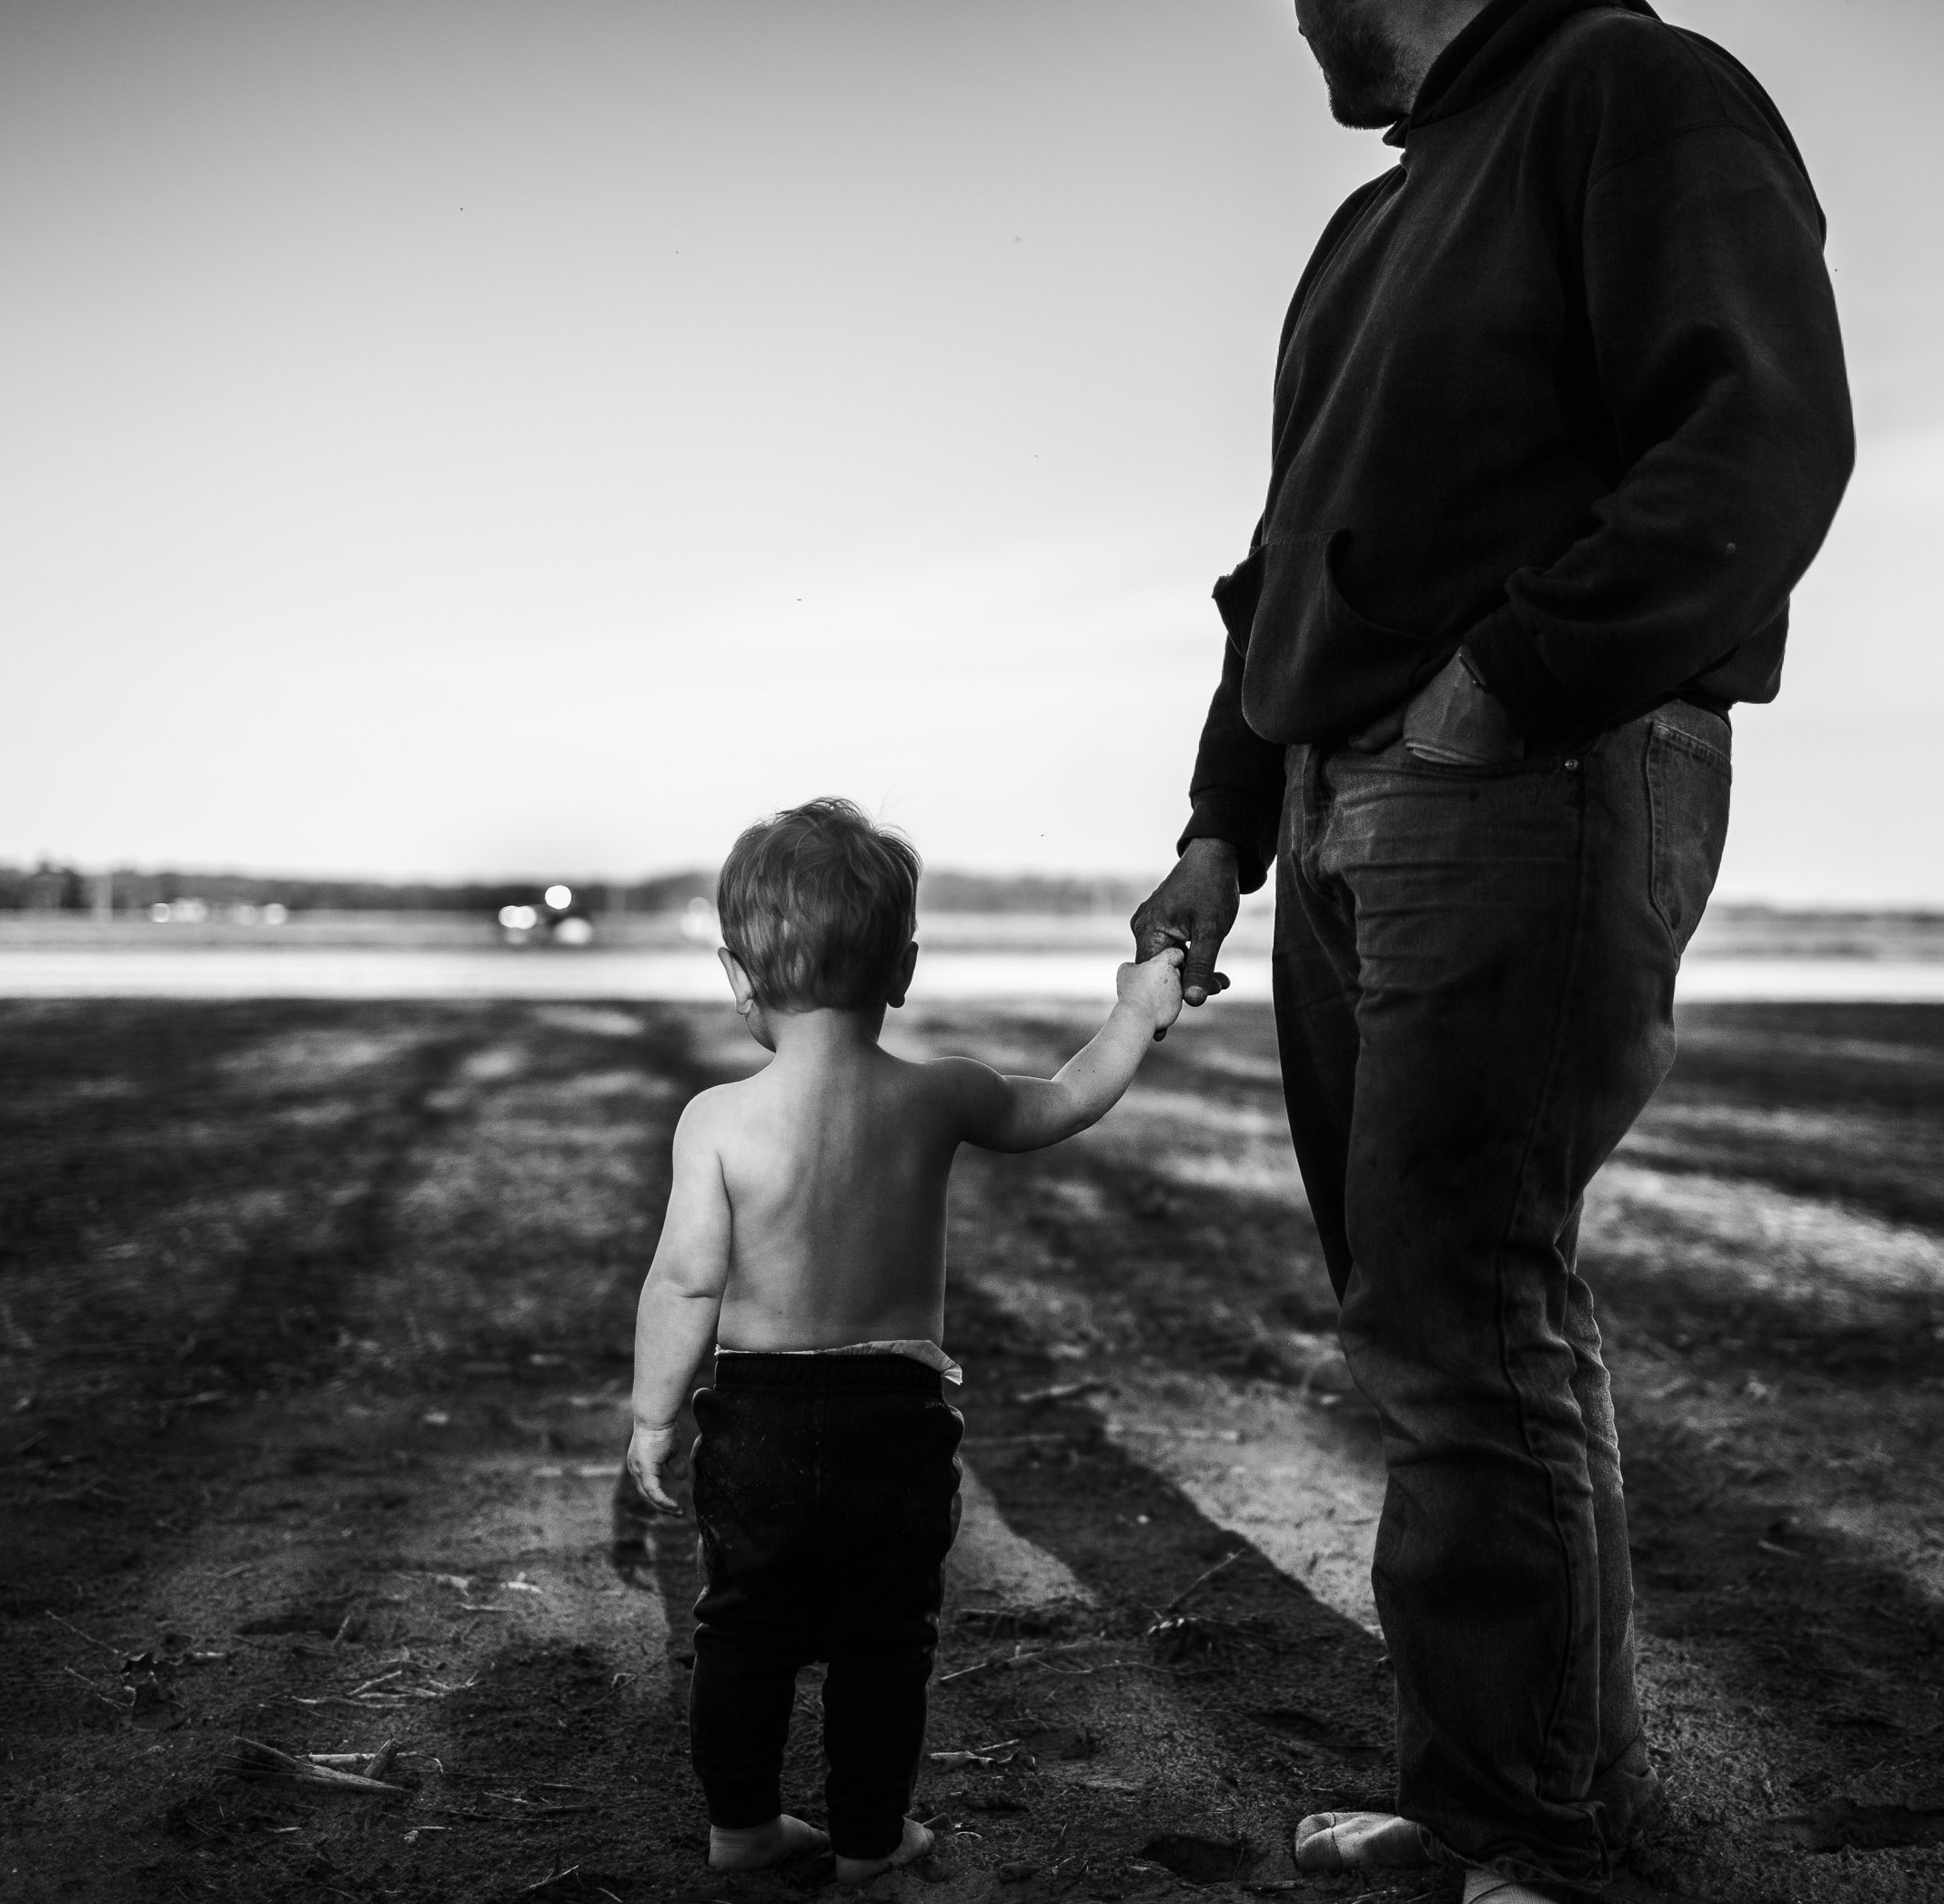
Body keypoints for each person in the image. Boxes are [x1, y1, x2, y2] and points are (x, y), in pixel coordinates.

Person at [1133, 1, 1854, 1899]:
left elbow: (1762, 430)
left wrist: (1510, 677)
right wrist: (1221, 828)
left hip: (1526, 771)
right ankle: (1507, 1801)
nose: (1288, 7)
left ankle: (1524, 1832)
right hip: (1331, 803)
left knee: (1468, 1301)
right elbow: (1283, 562)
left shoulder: (1633, 86)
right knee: (1433, 1311)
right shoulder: (1371, 228)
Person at [626, 797, 1191, 1884]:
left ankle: (742, 1825)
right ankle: (872, 1837)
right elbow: (1068, 1099)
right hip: (895, 1417)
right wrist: (1141, 1006)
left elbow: (686, 1278)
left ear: (738, 974)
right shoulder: (940, 1094)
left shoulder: (717, 1119)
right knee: (884, 1640)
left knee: (742, 1626)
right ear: (906, 966)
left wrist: (655, 1414)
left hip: (758, 1421)